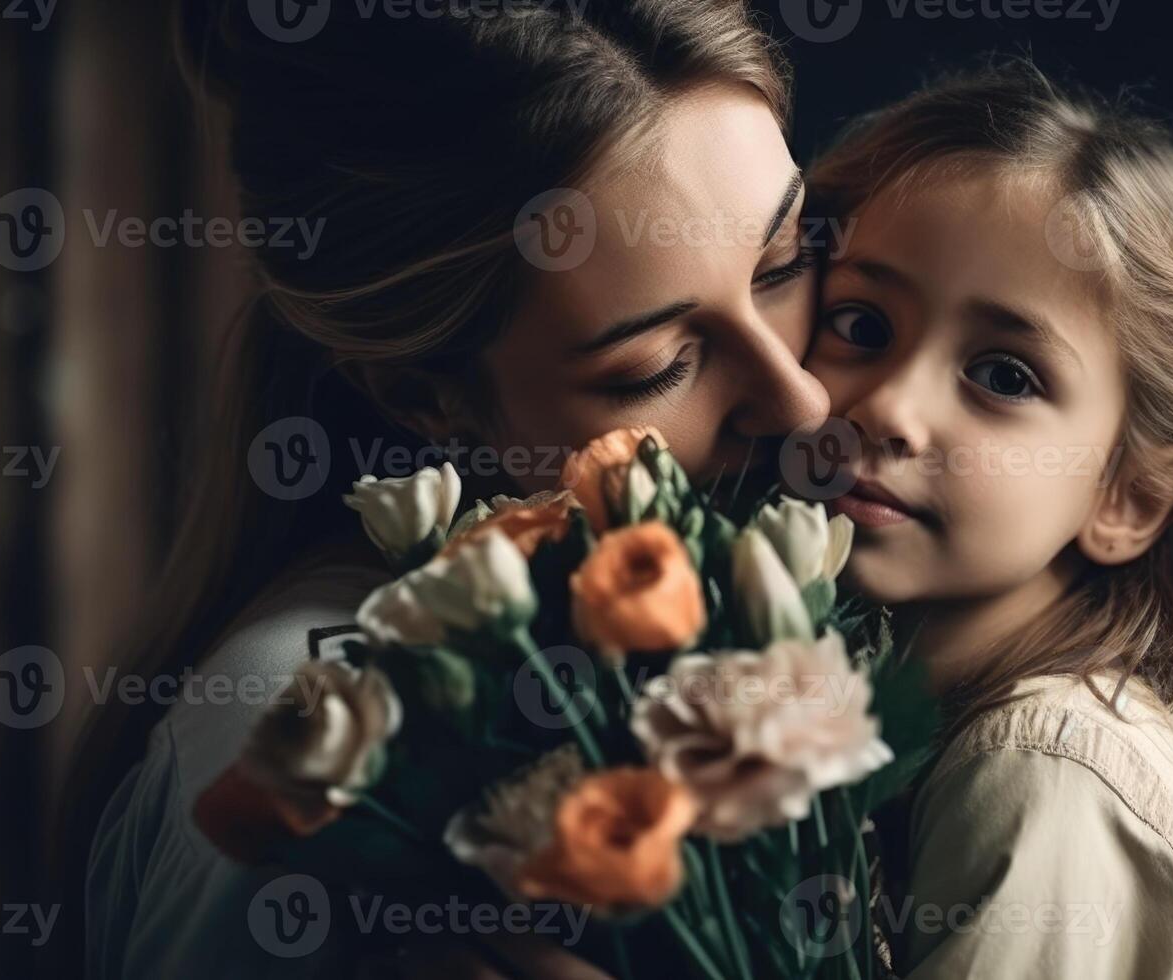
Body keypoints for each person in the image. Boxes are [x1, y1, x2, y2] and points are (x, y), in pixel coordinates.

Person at [71, 3, 827, 977]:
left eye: (784, 260)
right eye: (653, 365)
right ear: (429, 400)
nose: (798, 399)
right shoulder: (319, 750)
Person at [802, 61, 1173, 979]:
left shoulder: (1044, 772)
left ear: (1129, 498)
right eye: (861, 325)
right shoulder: (867, 724)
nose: (889, 408)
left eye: (1004, 375)